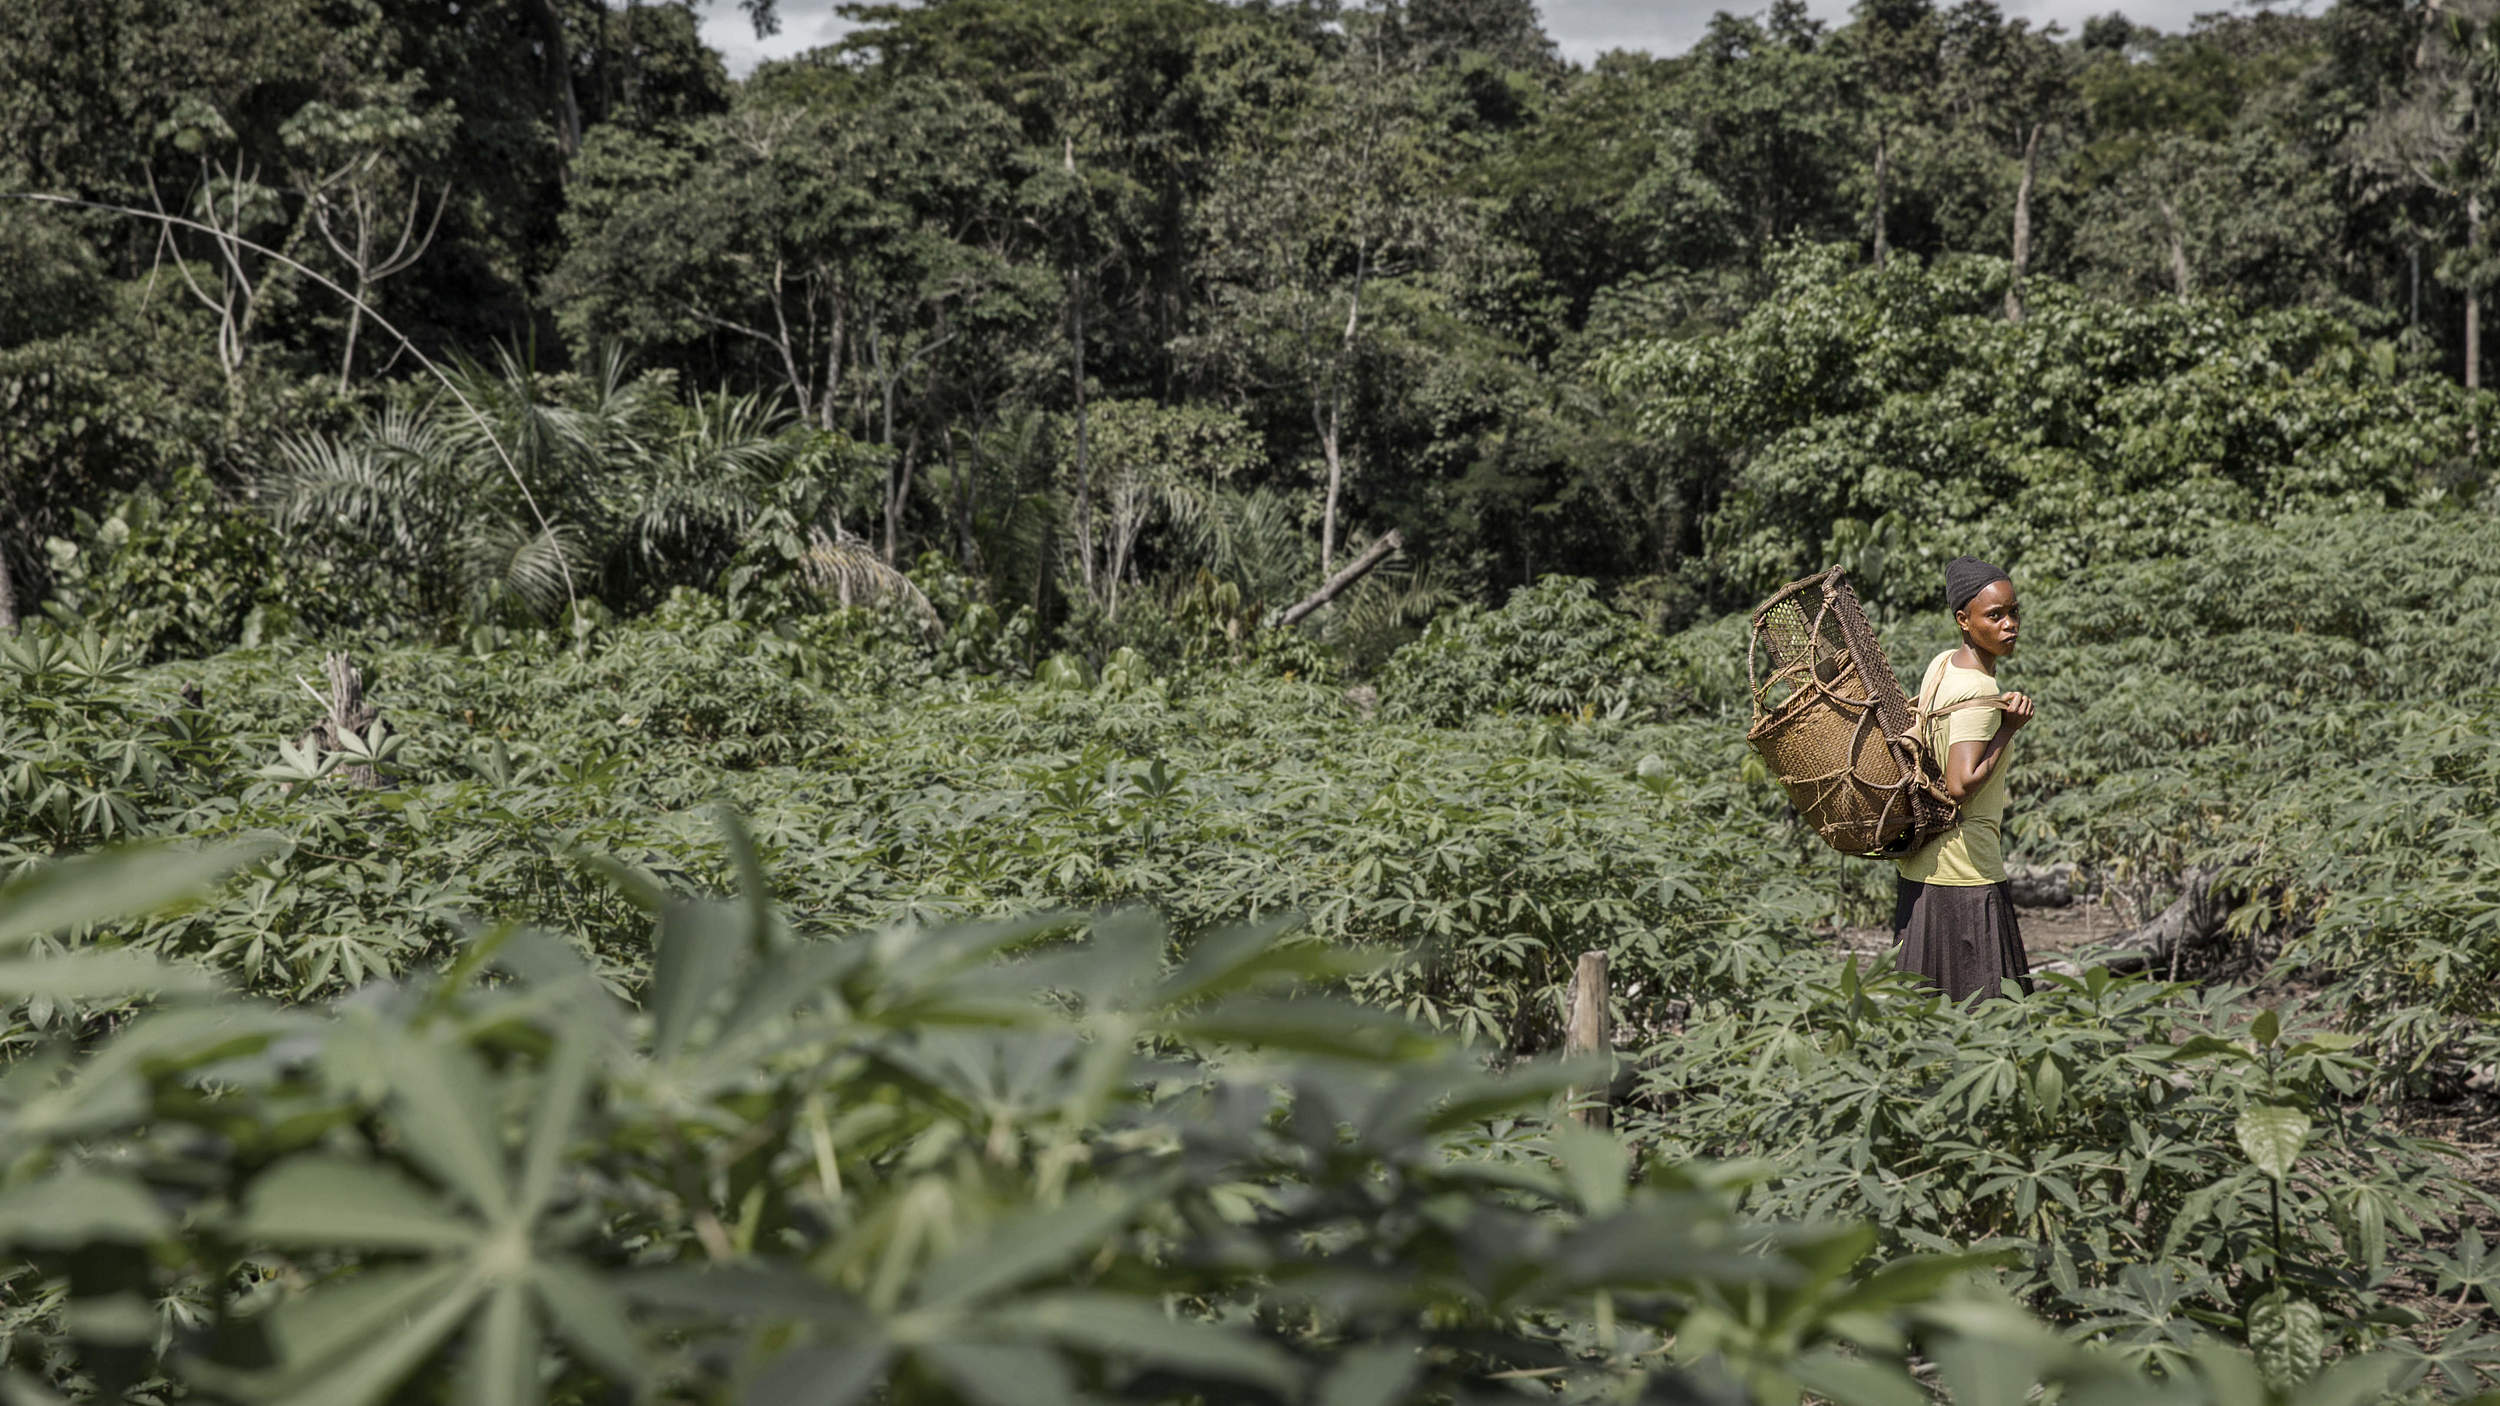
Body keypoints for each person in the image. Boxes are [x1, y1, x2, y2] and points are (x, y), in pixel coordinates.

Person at [1893, 556, 2037, 1001]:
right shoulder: (1979, 688)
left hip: (1922, 868)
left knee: (1925, 1018)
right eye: (1994, 616)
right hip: (1967, 875)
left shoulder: (1942, 665)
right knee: (1995, 1018)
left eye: (2013, 612)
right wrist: (2009, 729)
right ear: (1964, 620)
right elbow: (1960, 783)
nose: (2009, 624)